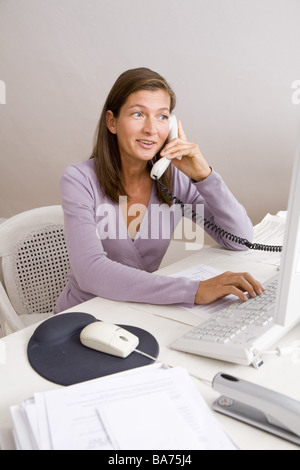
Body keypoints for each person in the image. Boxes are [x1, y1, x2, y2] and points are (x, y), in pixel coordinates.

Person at [54, 67, 263, 314]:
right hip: (84, 315)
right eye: (138, 114)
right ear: (112, 122)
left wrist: (203, 175)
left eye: (162, 117)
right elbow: (91, 272)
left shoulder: (174, 179)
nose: (151, 129)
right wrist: (193, 291)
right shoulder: (79, 179)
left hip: (140, 312)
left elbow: (240, 239)